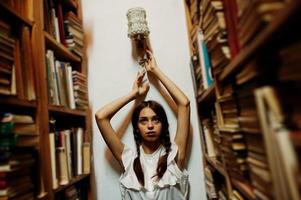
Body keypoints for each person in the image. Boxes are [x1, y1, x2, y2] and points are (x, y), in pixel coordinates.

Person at [95, 50, 190, 200]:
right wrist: (133, 94)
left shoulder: (174, 156)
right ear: (137, 128)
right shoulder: (128, 159)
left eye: (156, 120)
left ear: (163, 125)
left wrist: (156, 71)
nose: (150, 125)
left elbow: (184, 104)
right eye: (143, 121)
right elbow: (101, 117)